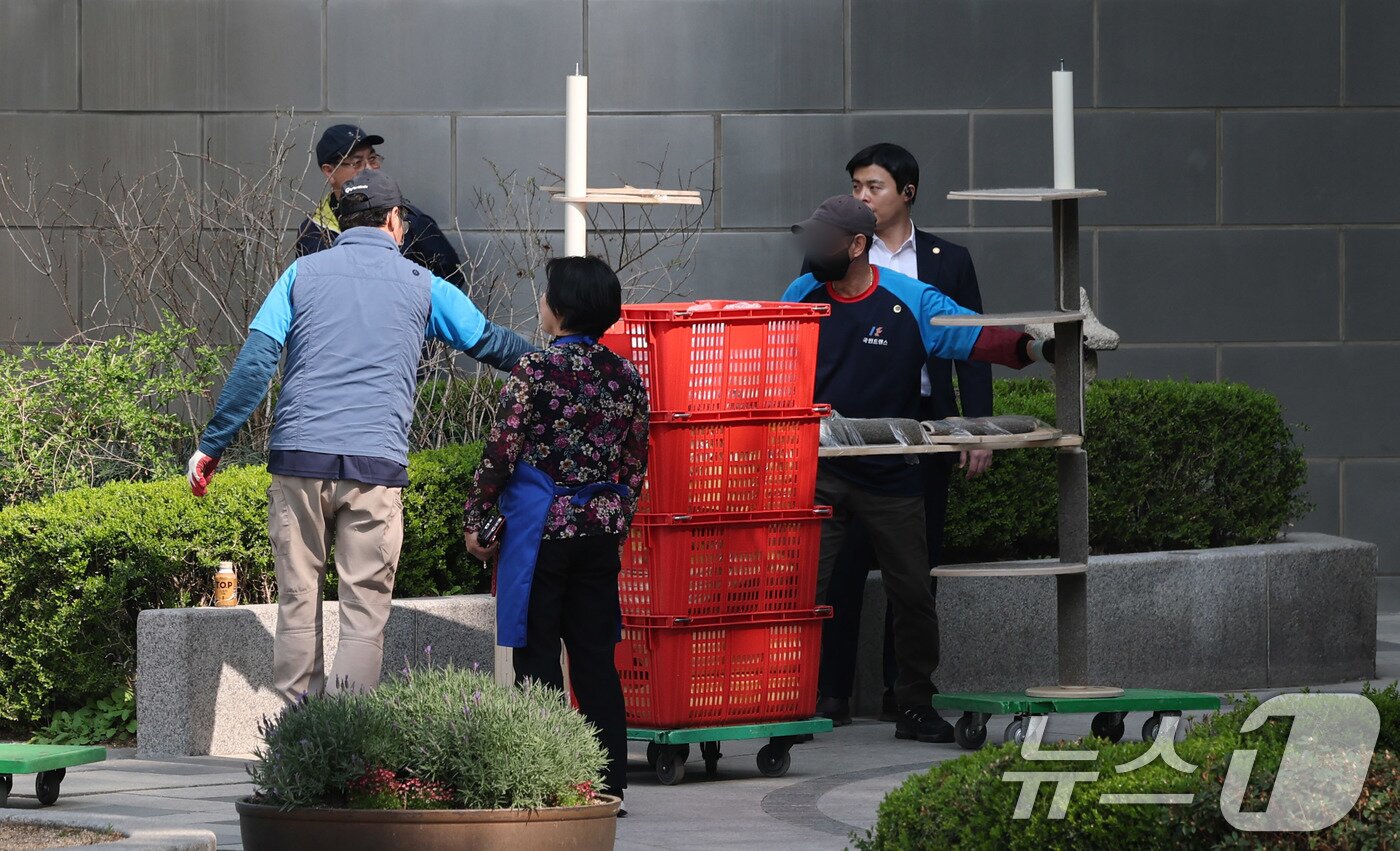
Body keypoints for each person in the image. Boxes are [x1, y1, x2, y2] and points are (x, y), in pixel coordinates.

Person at [187, 169, 533, 703]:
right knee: (364, 610)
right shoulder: (425, 285)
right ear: (395, 222)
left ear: (340, 223)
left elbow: (257, 360)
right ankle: (347, 752)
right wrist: (554, 361)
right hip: (374, 465)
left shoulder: (301, 275)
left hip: (300, 458)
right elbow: (487, 342)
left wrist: (213, 443)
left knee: (298, 600)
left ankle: (297, 750)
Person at [782, 195, 1056, 743]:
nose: (811, 250)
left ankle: (913, 703)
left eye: (824, 239)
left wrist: (1045, 344)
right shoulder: (801, 295)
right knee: (800, 592)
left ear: (858, 246)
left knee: (912, 591)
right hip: (822, 469)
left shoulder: (910, 298)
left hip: (892, 472)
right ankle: (790, 706)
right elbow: (770, 357)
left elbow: (977, 336)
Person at [816, 143, 995, 727]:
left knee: (914, 569)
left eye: (873, 187)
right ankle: (828, 693)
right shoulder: (828, 258)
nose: (861, 197)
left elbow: (972, 347)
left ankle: (908, 694)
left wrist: (976, 427)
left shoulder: (946, 260)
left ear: (906, 193)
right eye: (856, 188)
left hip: (922, 424)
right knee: (833, 572)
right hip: (841, 433)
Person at [462, 256, 649, 810]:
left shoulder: (534, 370)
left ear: (561, 310)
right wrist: (617, 517)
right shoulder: (626, 376)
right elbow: (635, 463)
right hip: (598, 532)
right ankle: (610, 787)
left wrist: (477, 518)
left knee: (537, 654)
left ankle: (550, 780)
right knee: (594, 659)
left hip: (540, 533)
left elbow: (501, 452)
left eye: (546, 295)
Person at [297, 124, 467, 286]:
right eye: (357, 163)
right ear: (329, 171)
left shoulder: (410, 220)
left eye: (372, 159)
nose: (369, 168)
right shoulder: (312, 232)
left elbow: (452, 277)